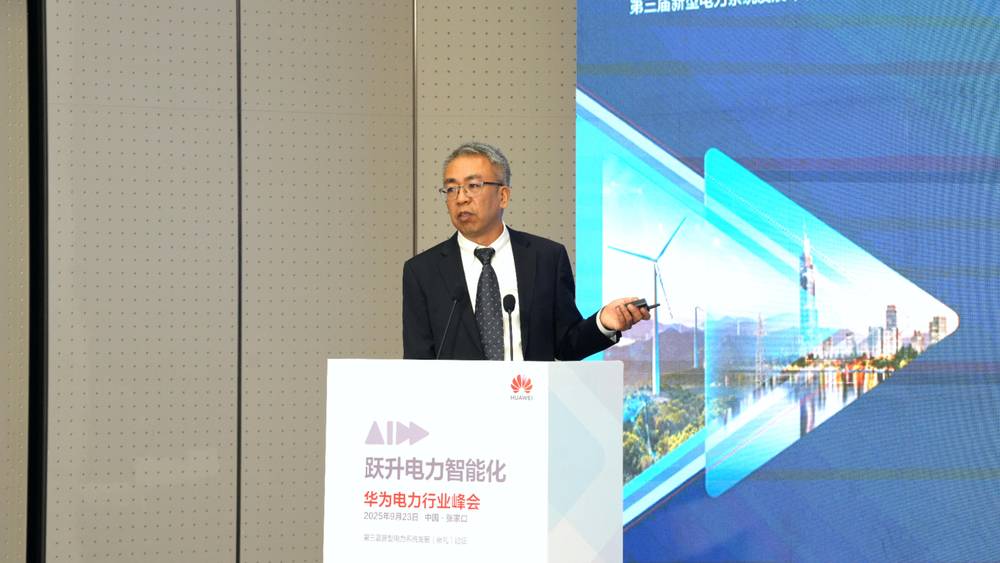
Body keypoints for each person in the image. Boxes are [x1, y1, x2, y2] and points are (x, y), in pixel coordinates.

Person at [402, 142, 649, 360]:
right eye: (451, 188)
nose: (460, 198)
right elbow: (418, 360)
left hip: (530, 396)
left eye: (473, 186)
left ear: (503, 196)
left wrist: (604, 322)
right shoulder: (423, 271)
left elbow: (566, 344)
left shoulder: (546, 258)